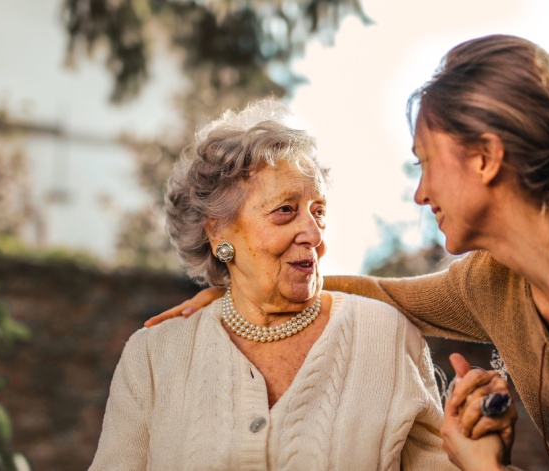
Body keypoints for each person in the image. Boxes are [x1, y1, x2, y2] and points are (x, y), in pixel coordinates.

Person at [145, 35, 549, 471]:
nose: (421, 192)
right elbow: (381, 293)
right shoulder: (495, 279)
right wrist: (240, 286)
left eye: (426, 162)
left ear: (485, 157)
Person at [90, 99, 467, 470]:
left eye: (318, 212)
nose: (314, 233)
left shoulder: (387, 337)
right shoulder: (153, 356)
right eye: (285, 210)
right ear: (218, 230)